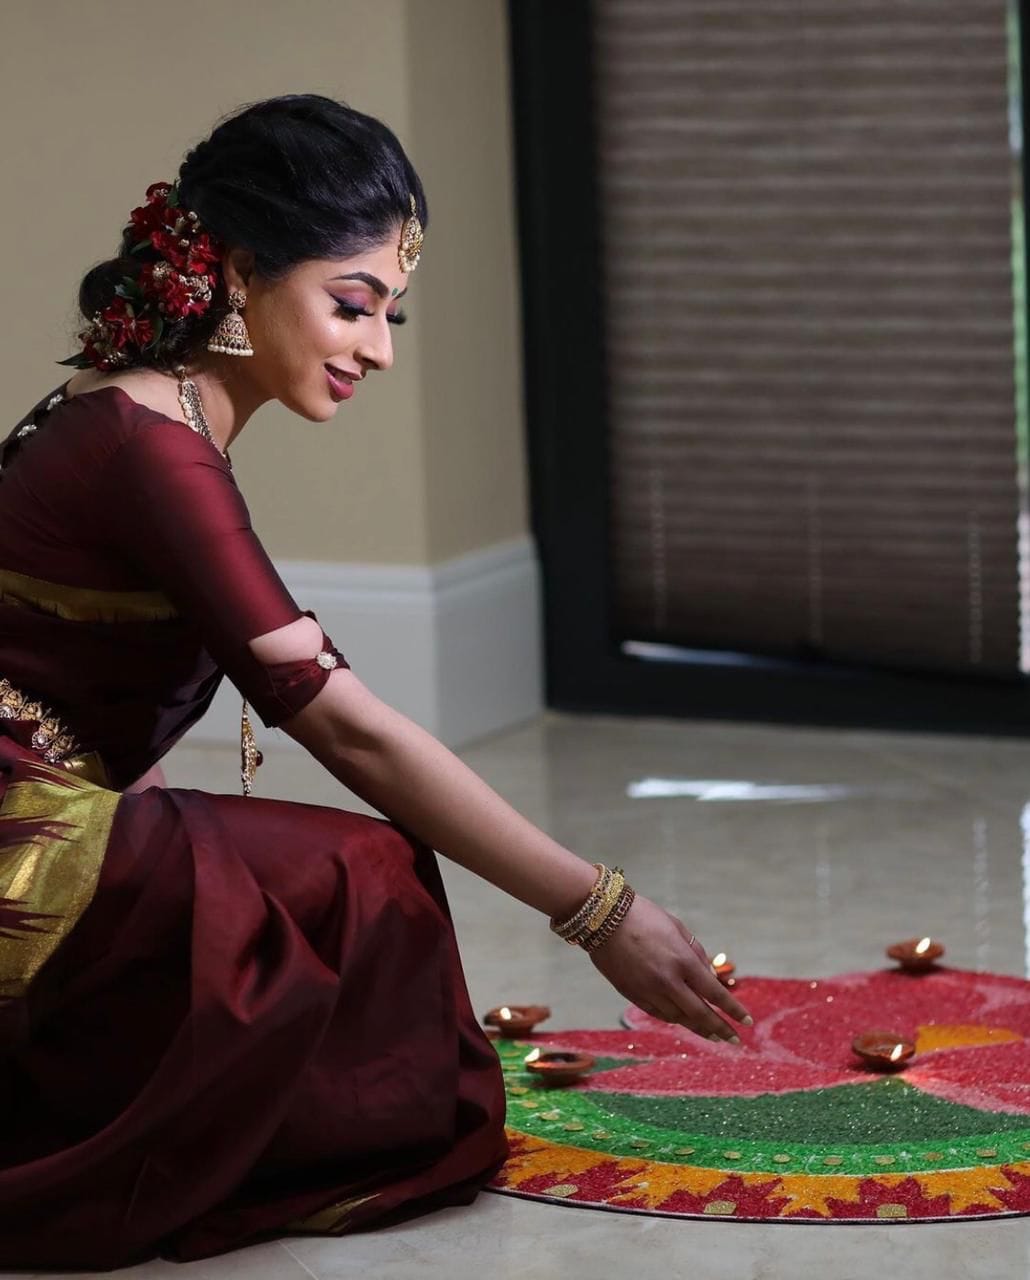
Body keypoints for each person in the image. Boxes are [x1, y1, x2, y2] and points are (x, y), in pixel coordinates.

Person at [0, 94, 751, 1269]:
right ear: (241, 271)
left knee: (281, 874)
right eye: (351, 305)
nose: (378, 348)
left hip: (43, 811)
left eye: (390, 313)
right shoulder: (153, 448)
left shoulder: (154, 414)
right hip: (23, 837)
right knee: (360, 873)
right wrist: (598, 908)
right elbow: (349, 731)